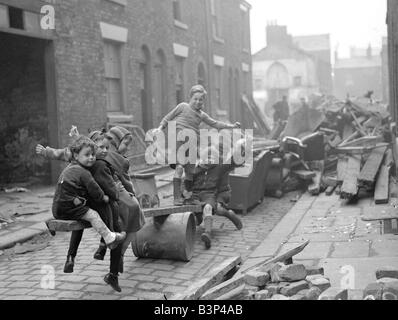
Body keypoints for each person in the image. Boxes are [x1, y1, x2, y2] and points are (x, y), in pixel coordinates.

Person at [51, 136, 126, 286]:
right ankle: (112, 270)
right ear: (78, 155)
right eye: (100, 148)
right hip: (95, 206)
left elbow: (72, 150)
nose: (95, 155)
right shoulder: (98, 166)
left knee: (84, 219)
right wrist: (114, 193)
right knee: (114, 226)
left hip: (64, 207)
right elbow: (105, 192)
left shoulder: (74, 165)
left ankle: (71, 257)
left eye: (106, 148)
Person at [153, 84, 241, 206]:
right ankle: (176, 198)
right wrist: (160, 128)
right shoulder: (182, 107)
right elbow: (168, 117)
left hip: (192, 144)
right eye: (195, 99)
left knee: (190, 172)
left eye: (200, 99)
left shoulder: (201, 115)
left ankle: (189, 197)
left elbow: (215, 124)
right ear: (190, 98)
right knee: (179, 168)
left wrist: (232, 126)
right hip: (180, 142)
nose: (198, 102)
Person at [102, 126, 146, 272]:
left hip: (102, 192)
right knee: (136, 214)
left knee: (126, 220)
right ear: (116, 141)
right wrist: (133, 195)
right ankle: (120, 254)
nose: (127, 148)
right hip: (116, 192)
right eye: (125, 144)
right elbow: (127, 183)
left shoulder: (102, 152)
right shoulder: (121, 160)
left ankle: (113, 251)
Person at [191, 140, 245, 249]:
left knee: (218, 209)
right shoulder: (199, 168)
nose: (209, 160)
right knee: (196, 210)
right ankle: (197, 221)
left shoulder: (220, 167)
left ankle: (229, 216)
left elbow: (234, 162)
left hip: (220, 193)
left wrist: (239, 150)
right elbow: (188, 180)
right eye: (206, 157)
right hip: (203, 195)